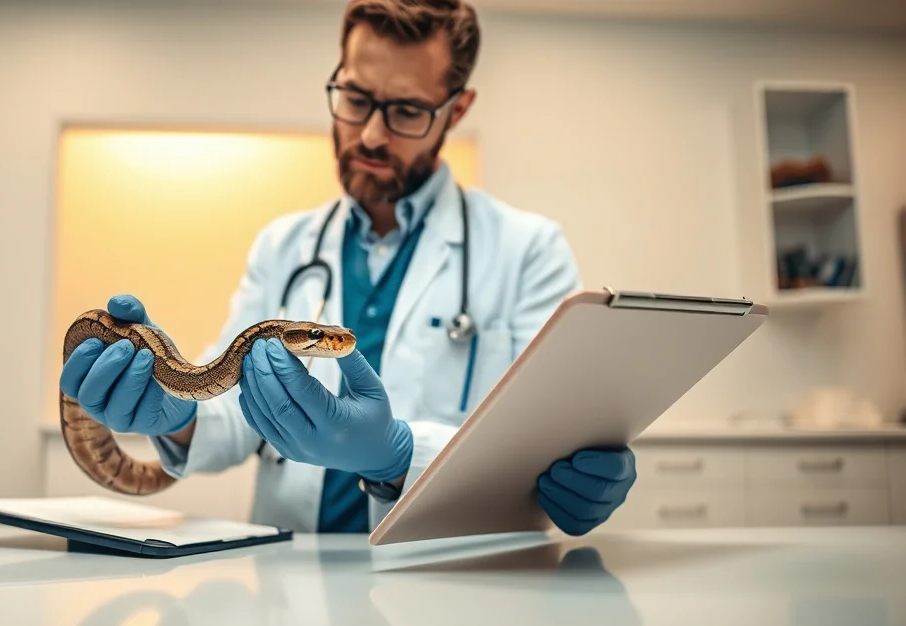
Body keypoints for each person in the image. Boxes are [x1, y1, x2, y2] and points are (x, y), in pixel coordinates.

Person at [59, 0, 636, 536]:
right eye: (356, 100)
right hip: (290, 586)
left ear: (456, 109)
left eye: (406, 110)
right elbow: (238, 416)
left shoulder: (528, 250)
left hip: (452, 579)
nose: (370, 135)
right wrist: (177, 413)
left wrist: (400, 453)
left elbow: (535, 438)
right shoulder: (283, 244)